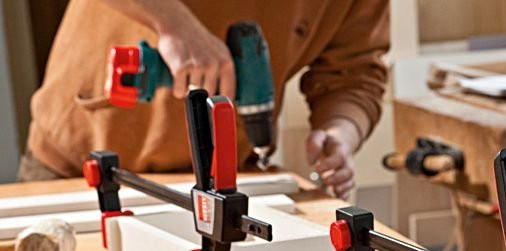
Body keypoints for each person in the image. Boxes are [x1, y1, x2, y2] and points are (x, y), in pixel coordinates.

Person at [20, 0, 390, 200]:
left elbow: (355, 72)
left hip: (226, 181)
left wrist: (341, 131)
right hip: (76, 168)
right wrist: (174, 23)